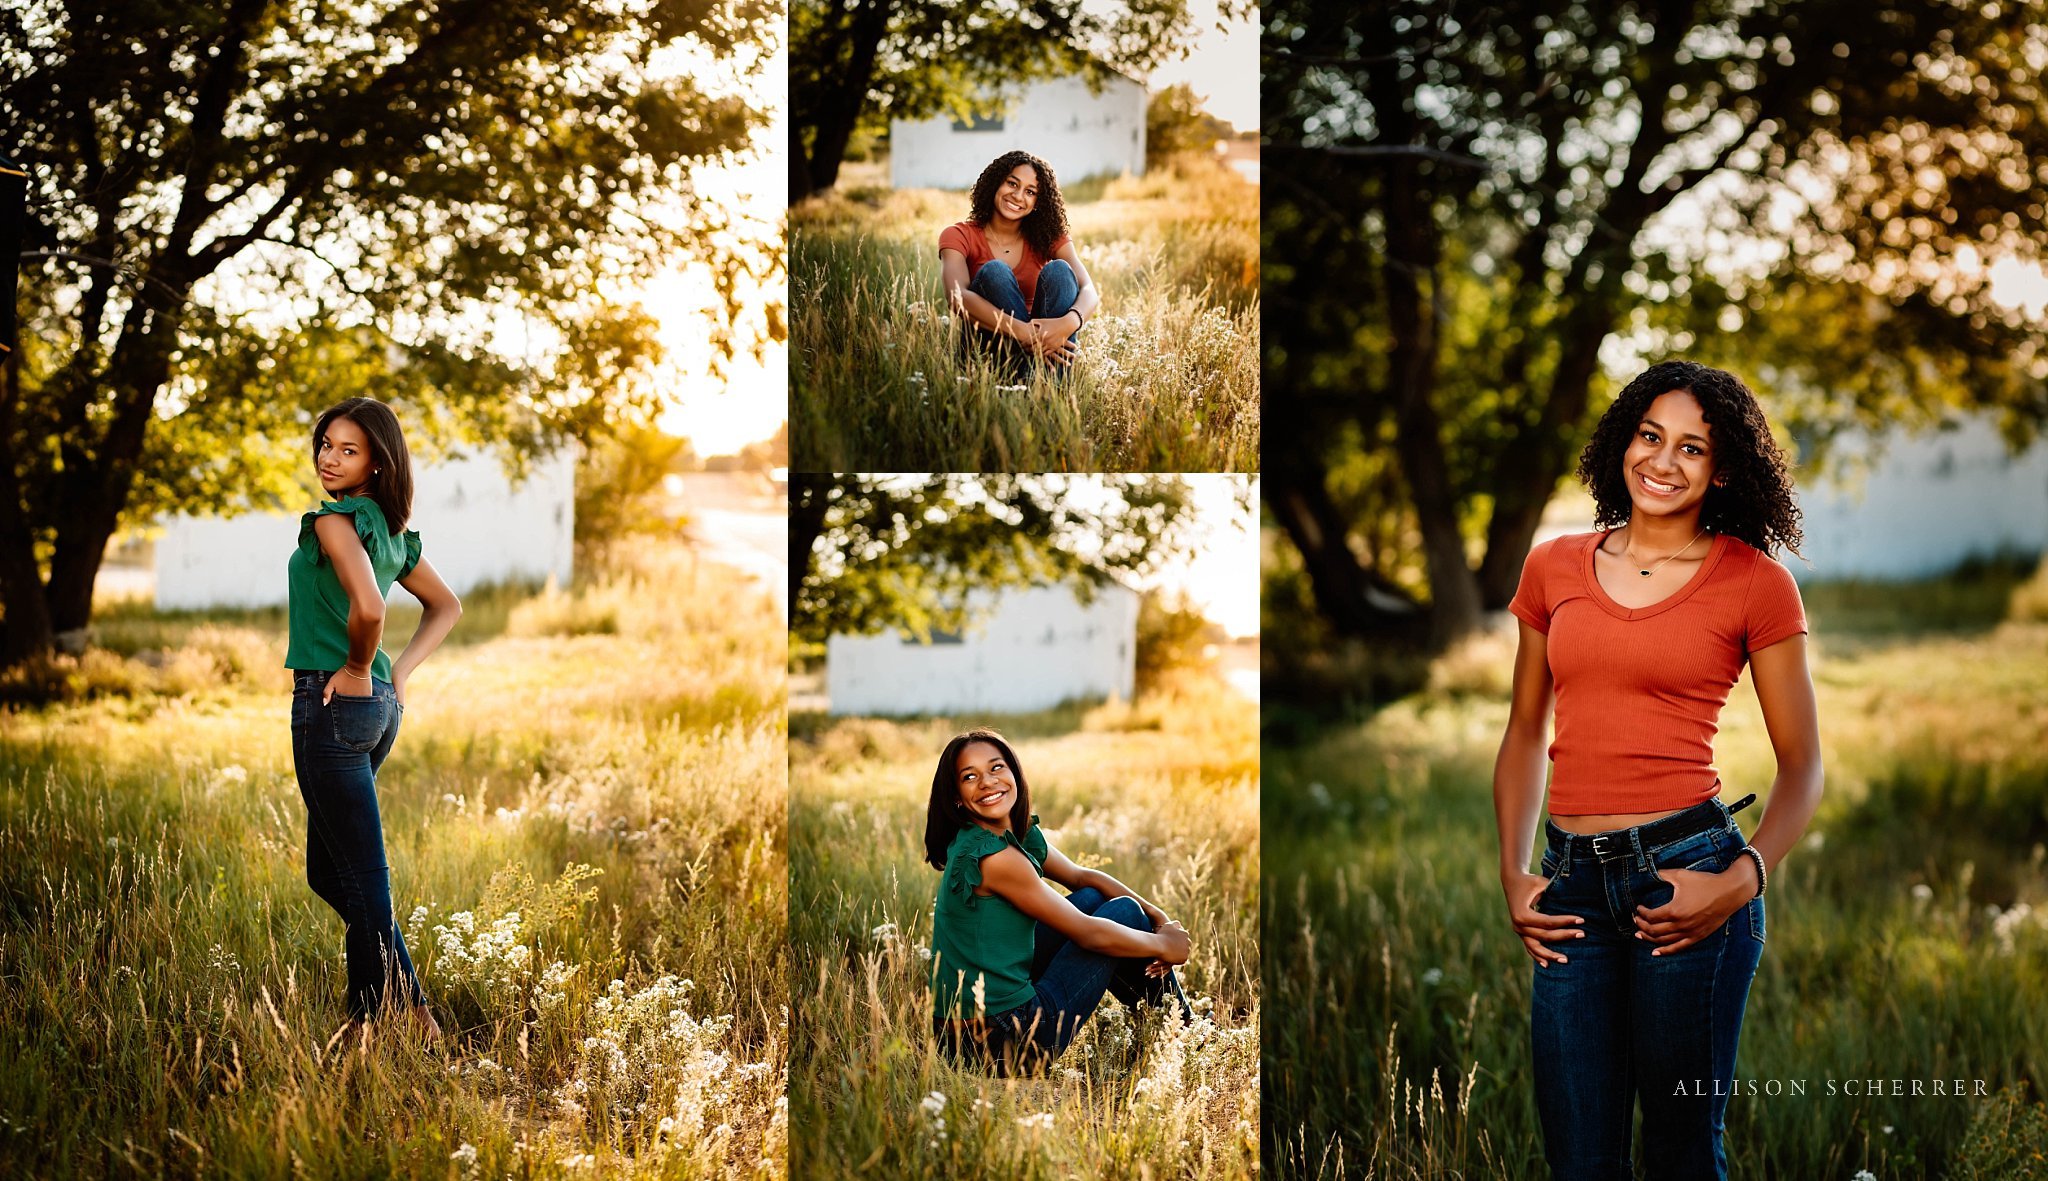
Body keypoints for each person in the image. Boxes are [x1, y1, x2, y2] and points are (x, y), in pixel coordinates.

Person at [1493, 360, 1825, 1180]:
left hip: (1690, 882)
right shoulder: (1554, 565)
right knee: (1579, 1160)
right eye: (1650, 435)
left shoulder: (1757, 583)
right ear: (1622, 440)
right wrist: (1512, 871)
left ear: (1722, 470)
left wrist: (1741, 878)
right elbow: (1526, 726)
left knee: (1682, 1157)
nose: (1663, 461)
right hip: (1570, 889)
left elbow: (1805, 764)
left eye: (1693, 448)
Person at [286, 397, 461, 1036]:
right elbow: (446, 607)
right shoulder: (390, 532)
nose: (330, 459)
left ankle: (372, 1022)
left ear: (378, 462)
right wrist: (400, 673)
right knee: (331, 873)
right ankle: (410, 1007)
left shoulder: (334, 524)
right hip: (377, 708)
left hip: (334, 703)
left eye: (348, 450)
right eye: (326, 444)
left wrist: (363, 667)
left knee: (359, 876)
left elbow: (370, 611)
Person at [925, 728, 1193, 1075]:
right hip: (1001, 1044)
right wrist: (1164, 945)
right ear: (957, 797)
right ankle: (1185, 1032)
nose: (987, 783)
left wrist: (1158, 919)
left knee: (1094, 898)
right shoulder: (996, 858)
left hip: (967, 1034)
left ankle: (1173, 1026)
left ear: (1014, 773)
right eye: (969, 776)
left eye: (996, 768)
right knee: (1122, 913)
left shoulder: (1008, 835)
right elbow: (1087, 934)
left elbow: (1082, 877)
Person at [939, 149, 1101, 377]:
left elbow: (1089, 290)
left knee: (1061, 271)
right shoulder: (958, 235)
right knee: (994, 272)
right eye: (1012, 184)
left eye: (1030, 191)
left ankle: (1045, 389)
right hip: (989, 347)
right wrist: (1023, 331)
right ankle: (1027, 385)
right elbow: (957, 297)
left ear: (1037, 202)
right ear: (996, 183)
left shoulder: (1048, 236)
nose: (1018, 196)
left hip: (1046, 346)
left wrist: (1067, 324)